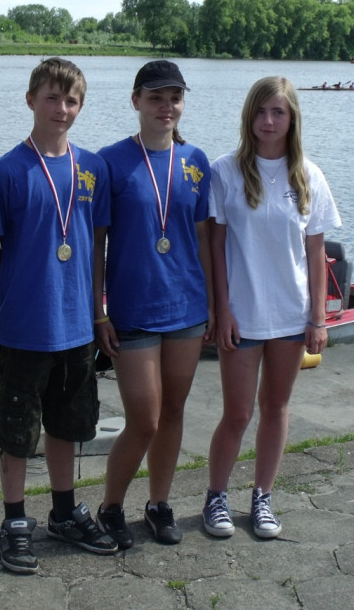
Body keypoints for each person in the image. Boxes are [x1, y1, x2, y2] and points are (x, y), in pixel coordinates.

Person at [0, 57, 116, 573]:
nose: (61, 109)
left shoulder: (93, 169)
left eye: (71, 101)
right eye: (51, 98)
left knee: (68, 424)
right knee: (17, 430)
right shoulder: (7, 171)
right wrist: (2, 311)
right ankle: (15, 519)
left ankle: (63, 510)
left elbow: (96, 246)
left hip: (78, 325)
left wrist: (99, 314)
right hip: (24, 326)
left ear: (80, 107)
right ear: (30, 101)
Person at [203, 75, 340, 540]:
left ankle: (262, 497)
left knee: (276, 407)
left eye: (278, 112)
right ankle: (216, 496)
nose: (268, 121)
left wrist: (317, 319)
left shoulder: (309, 176)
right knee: (238, 413)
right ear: (249, 116)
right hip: (242, 314)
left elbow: (317, 253)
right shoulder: (225, 171)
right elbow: (216, 250)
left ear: (292, 118)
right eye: (261, 111)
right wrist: (221, 311)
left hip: (290, 316)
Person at [93, 60, 214, 547]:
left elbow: (205, 240)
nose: (167, 107)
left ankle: (159, 503)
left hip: (186, 307)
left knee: (174, 412)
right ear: (136, 100)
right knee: (143, 418)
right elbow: (97, 243)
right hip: (134, 310)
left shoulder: (195, 162)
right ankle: (110, 506)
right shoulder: (110, 162)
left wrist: (215, 306)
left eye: (175, 98)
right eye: (156, 98)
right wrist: (99, 310)